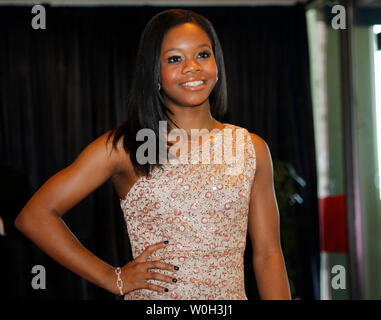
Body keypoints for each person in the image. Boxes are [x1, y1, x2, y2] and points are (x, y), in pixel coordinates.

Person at [15, 8, 291, 300]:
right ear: (154, 73)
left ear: (217, 64)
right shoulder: (125, 147)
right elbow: (35, 216)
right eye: (175, 59)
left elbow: (268, 254)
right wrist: (113, 277)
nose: (192, 67)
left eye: (203, 54)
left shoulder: (251, 148)